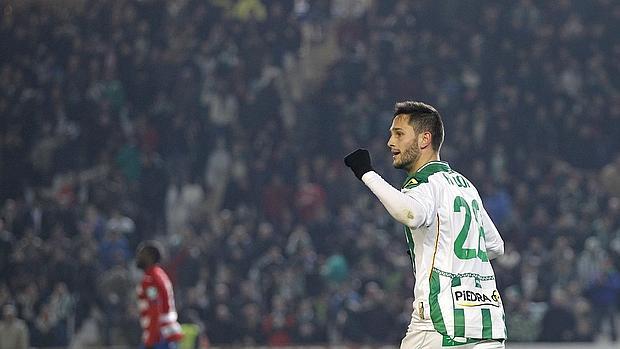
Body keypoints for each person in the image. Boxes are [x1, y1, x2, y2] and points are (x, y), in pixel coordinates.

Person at [344, 101, 506, 348]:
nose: (390, 142)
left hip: (441, 324)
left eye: (399, 134)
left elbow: (410, 214)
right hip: (487, 322)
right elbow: (495, 246)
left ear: (424, 139)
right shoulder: (465, 185)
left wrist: (366, 173)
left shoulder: (424, 183)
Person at [136, 241, 183, 349]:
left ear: (150, 257)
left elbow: (154, 308)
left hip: (159, 335)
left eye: (141, 255)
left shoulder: (150, 280)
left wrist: (151, 340)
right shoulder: (160, 274)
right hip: (165, 333)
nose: (138, 258)